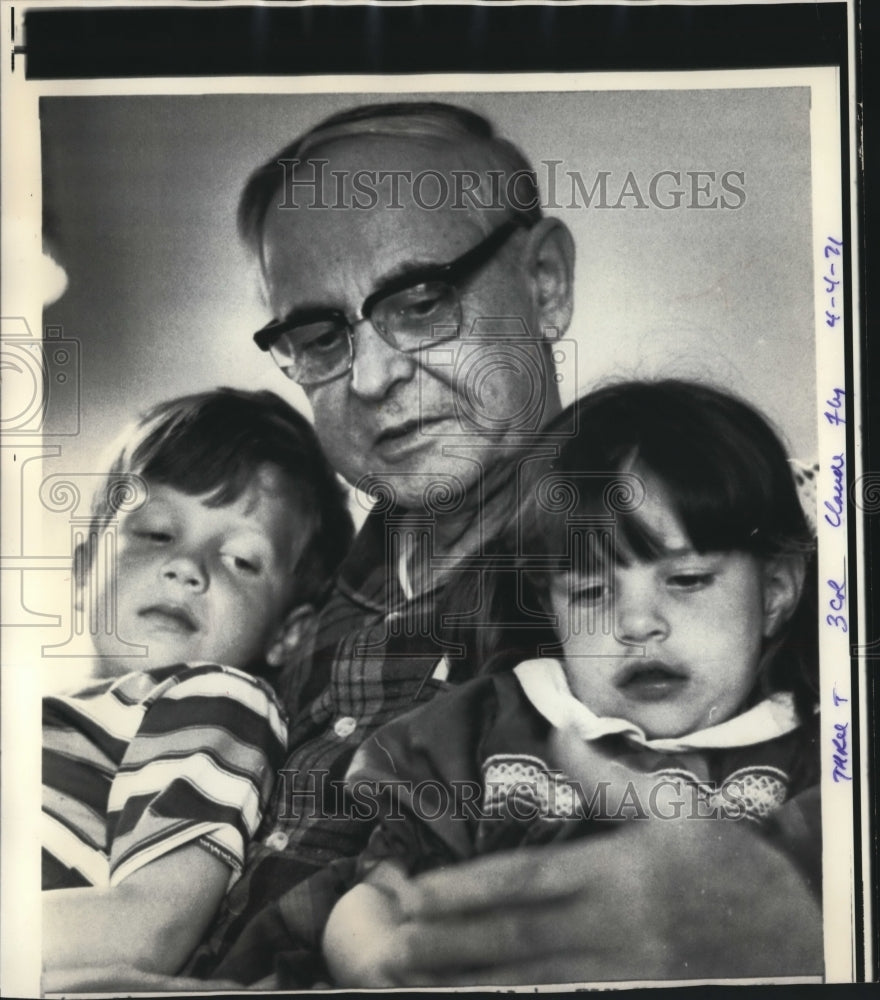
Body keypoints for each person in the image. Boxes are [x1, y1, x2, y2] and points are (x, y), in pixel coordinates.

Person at [187, 100, 822, 986]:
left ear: (547, 282)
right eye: (320, 336)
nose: (372, 376)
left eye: (419, 300)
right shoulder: (290, 585)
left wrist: (794, 907)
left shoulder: (735, 545)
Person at [322, 379, 821, 985]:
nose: (638, 625)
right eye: (589, 591)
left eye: (687, 580)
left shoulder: (822, 761)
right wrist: (380, 963)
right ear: (547, 606)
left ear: (776, 592)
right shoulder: (478, 729)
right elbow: (377, 895)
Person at [41, 388, 353, 980]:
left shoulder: (213, 697)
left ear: (289, 633)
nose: (189, 567)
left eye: (241, 560)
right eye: (157, 532)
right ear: (83, 570)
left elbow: (148, 928)